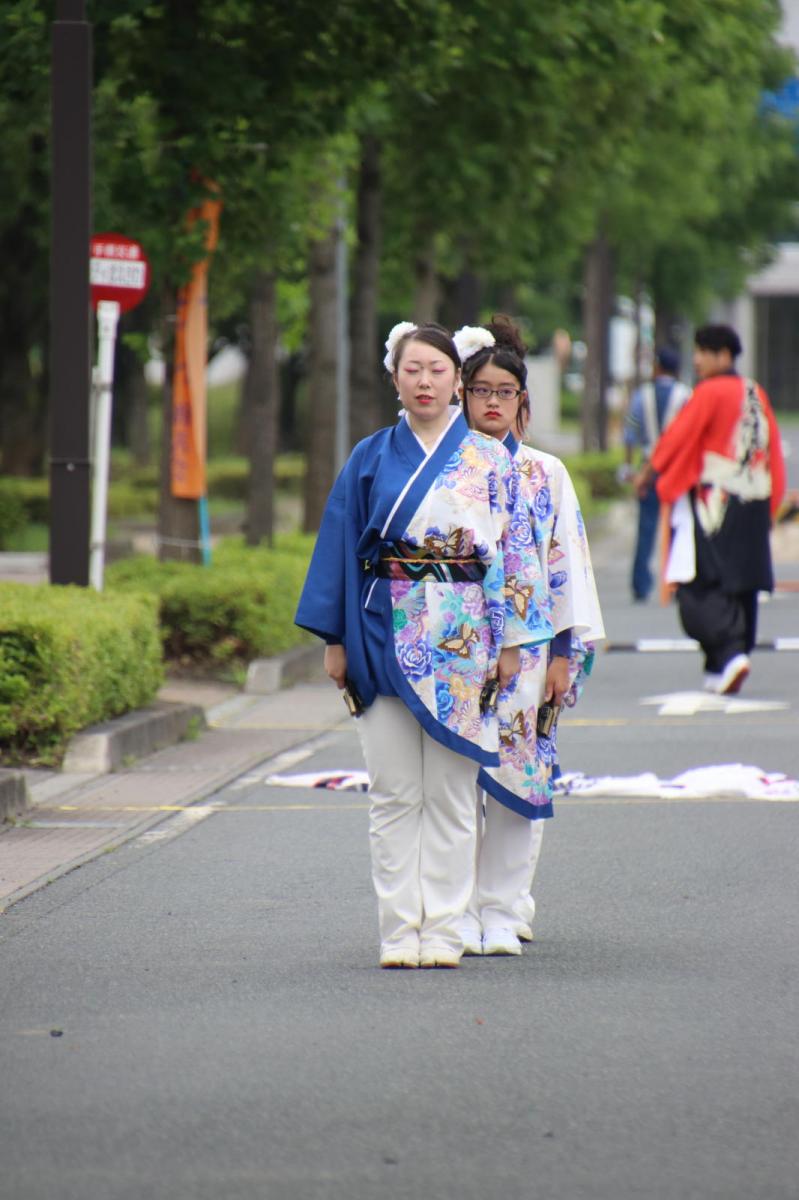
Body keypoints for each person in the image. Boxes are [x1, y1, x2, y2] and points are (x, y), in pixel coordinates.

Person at [295, 321, 553, 970]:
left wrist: (512, 642)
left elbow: (516, 555)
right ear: (394, 377)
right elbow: (338, 544)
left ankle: (442, 929)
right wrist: (334, 639)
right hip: (380, 627)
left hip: (465, 639)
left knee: (450, 794)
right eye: (412, 370)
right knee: (393, 792)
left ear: (457, 381)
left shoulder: (492, 460)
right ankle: (397, 930)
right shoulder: (369, 457)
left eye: (437, 371)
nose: (425, 382)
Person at [454, 317, 604, 956]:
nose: (492, 402)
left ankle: (504, 907)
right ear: (462, 395)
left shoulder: (548, 473)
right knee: (458, 782)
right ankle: (459, 909)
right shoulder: (447, 470)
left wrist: (565, 654)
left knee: (521, 776)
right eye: (481, 390)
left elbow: (566, 564)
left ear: (522, 400)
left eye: (504, 391)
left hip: (535, 648)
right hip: (458, 649)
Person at [640, 324, 786, 694]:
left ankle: (730, 654)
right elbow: (772, 450)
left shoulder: (709, 392)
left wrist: (649, 473)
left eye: (703, 352)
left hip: (715, 503)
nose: (697, 360)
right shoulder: (755, 392)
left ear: (723, 355)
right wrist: (773, 503)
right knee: (743, 585)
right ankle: (720, 665)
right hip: (755, 499)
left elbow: (677, 439)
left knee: (699, 587)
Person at [621, 347, 690, 602]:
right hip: (677, 469)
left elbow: (630, 434)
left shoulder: (642, 395)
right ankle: (676, 583)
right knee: (677, 526)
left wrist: (629, 466)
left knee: (646, 528)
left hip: (648, 469)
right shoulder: (686, 396)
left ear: (658, 367)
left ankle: (641, 585)